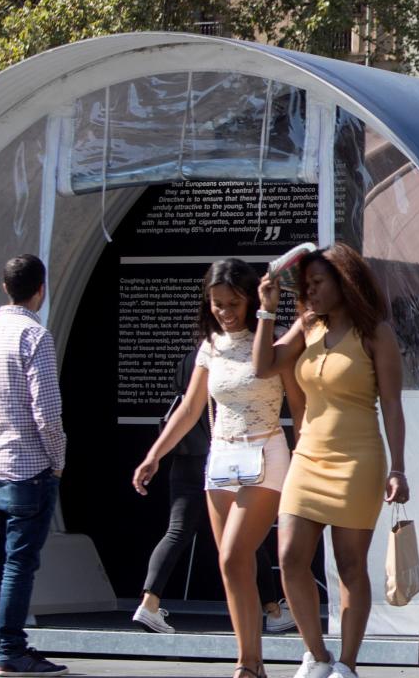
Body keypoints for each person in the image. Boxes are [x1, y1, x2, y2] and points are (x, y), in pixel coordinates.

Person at [133, 260, 306, 678]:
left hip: (266, 452)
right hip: (220, 458)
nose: (225, 312)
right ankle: (251, 664)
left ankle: (248, 663)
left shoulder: (276, 343)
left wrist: (307, 460)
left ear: (251, 298)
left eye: (232, 303)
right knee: (236, 565)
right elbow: (191, 408)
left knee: (233, 557)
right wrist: (154, 454)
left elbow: (300, 408)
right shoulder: (211, 345)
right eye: (217, 304)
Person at [253, 245, 408, 678]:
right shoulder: (307, 326)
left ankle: (347, 664)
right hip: (308, 456)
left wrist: (398, 467)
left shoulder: (376, 333)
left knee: (349, 565)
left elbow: (392, 406)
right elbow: (264, 366)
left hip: (358, 459)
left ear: (344, 281)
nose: (311, 291)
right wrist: (267, 312)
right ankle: (317, 655)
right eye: (306, 286)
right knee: (289, 556)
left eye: (318, 283)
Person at [131, 348, 297, 637]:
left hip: (193, 456)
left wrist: (155, 455)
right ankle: (272, 611)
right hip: (224, 458)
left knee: (185, 533)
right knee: (245, 537)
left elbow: (187, 407)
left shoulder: (193, 357)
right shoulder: (216, 354)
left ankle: (150, 602)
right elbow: (192, 407)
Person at [0, 254, 69, 677]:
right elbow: (47, 412)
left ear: (5, 287)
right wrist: (57, 460)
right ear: (40, 290)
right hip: (30, 468)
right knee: (19, 564)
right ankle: (11, 651)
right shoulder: (34, 336)